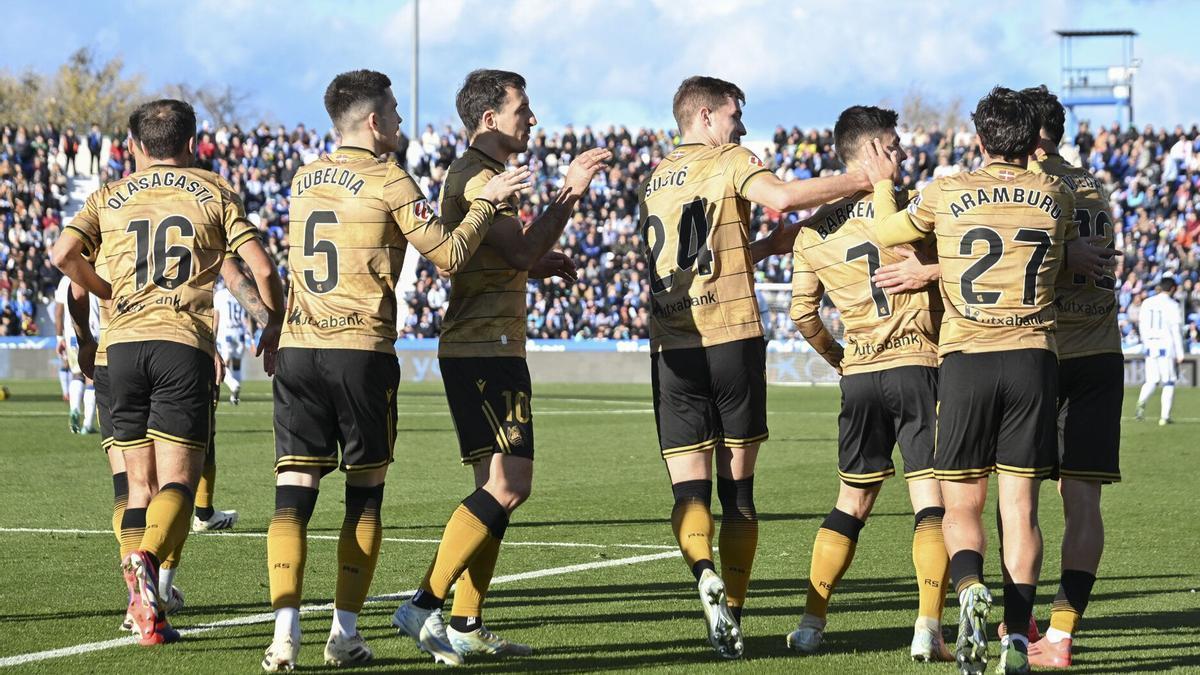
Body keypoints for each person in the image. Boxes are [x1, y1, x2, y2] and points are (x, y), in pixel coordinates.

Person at [261, 69, 529, 671]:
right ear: (376, 121)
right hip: (360, 352)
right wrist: (485, 202)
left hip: (300, 350)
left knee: (293, 496)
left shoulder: (303, 178)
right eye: (397, 113)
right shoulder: (388, 178)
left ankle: (283, 636)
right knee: (363, 497)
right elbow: (448, 256)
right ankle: (345, 633)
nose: (404, 123)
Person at [637, 75, 890, 660]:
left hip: (673, 343)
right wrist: (863, 178)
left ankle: (703, 572)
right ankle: (736, 613)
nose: (742, 126)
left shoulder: (654, 179)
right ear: (704, 116)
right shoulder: (729, 160)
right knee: (739, 493)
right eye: (734, 115)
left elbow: (703, 249)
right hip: (731, 335)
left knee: (689, 489)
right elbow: (779, 197)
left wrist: (766, 248)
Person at [391, 69, 609, 665]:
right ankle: (424, 603)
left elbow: (504, 256)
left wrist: (532, 266)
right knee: (513, 485)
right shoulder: (482, 176)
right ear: (491, 118)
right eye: (523, 109)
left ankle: (464, 621)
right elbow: (516, 248)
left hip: (486, 345)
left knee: (493, 489)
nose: (532, 119)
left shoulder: (479, 173)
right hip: (484, 348)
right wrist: (569, 194)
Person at [52, 98, 285, 647]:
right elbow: (260, 266)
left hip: (119, 348)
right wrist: (270, 324)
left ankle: (140, 607)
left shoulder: (108, 198)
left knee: (136, 486)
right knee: (179, 481)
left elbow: (65, 259)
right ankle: (147, 565)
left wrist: (96, 322)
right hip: (180, 342)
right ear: (192, 142)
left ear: (132, 145)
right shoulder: (214, 189)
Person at [872, 86, 1077, 674]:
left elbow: (888, 232)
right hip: (1034, 358)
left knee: (961, 505)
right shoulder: (1054, 194)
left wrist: (884, 181)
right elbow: (1055, 259)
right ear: (1029, 137)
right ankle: (1016, 636)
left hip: (967, 358)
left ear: (981, 139)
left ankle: (967, 591)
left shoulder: (948, 191)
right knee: (1022, 510)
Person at [773, 106, 952, 662]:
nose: (903, 154)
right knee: (931, 502)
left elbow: (803, 314)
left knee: (850, 501)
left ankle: (810, 622)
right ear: (874, 151)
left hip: (861, 375)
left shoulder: (809, 234)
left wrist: (840, 359)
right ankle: (927, 627)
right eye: (894, 146)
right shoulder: (902, 208)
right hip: (917, 365)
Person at [1019, 85, 1124, 668]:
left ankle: (1024, 624)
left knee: (1020, 496)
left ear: (1030, 140)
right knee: (1082, 499)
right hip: (1101, 351)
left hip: (1047, 351)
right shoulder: (1094, 185)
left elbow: (1023, 262)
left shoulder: (1037, 190)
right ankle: (1059, 636)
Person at [1135, 277, 1185, 425]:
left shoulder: (1147, 302)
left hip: (1150, 346)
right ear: (1172, 288)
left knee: (1151, 380)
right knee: (1168, 382)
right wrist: (1180, 352)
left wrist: (1146, 343)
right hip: (1166, 346)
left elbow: (1142, 325)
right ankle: (1164, 417)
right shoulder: (1172, 305)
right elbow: (1176, 330)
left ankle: (1140, 403)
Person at [54, 273, 98, 433]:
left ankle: (74, 409)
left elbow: (58, 312)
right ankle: (87, 424)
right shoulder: (97, 275)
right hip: (94, 331)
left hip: (72, 334)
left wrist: (59, 338)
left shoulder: (65, 280)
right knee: (91, 378)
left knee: (76, 374)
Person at [213, 279, 248, 405]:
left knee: (224, 364)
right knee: (237, 365)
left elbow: (216, 318)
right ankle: (235, 398)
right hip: (240, 333)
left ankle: (234, 385)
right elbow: (246, 318)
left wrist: (213, 336)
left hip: (225, 333)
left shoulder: (220, 295)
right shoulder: (241, 295)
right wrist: (249, 336)